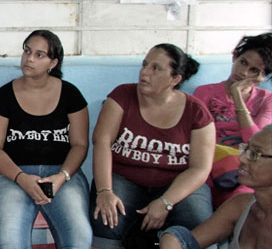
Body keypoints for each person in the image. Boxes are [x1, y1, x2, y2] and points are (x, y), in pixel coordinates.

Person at [90, 43, 216, 249]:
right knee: (106, 218)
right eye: (145, 64)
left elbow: (200, 168)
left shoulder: (196, 112)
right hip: (125, 177)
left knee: (198, 224)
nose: (144, 72)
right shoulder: (122, 96)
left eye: (156, 68)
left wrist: (166, 202)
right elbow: (102, 143)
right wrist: (104, 191)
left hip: (177, 182)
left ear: (175, 79)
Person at [0, 30, 92, 248]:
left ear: (53, 63)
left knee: (80, 237)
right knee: (10, 240)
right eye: (27, 51)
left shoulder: (71, 95)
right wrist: (21, 178)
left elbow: (80, 145)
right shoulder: (3, 96)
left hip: (61, 174)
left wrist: (61, 177)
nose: (29, 58)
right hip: (10, 175)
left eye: (39, 55)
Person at [159, 124, 272, 249]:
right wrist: (172, 239)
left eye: (255, 154)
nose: (242, 158)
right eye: (246, 149)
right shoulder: (240, 205)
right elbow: (188, 241)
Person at [193, 33, 272, 207]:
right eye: (243, 62)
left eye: (254, 70)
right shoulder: (204, 92)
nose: (243, 72)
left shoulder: (267, 100)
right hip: (209, 166)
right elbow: (199, 138)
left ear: (262, 76)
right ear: (235, 56)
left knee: (240, 203)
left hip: (245, 172)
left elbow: (254, 141)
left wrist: (237, 95)